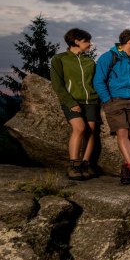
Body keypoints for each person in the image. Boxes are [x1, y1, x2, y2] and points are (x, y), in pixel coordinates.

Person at [93, 29, 130, 184]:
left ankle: (126, 173)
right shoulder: (108, 57)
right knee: (122, 132)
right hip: (115, 101)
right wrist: (107, 100)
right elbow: (98, 80)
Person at [50, 28, 99, 180]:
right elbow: (57, 84)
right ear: (76, 41)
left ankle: (85, 164)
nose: (90, 44)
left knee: (91, 130)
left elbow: (95, 82)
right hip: (72, 100)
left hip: (90, 100)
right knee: (80, 128)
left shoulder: (89, 61)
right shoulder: (59, 59)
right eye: (87, 41)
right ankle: (73, 165)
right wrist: (70, 102)